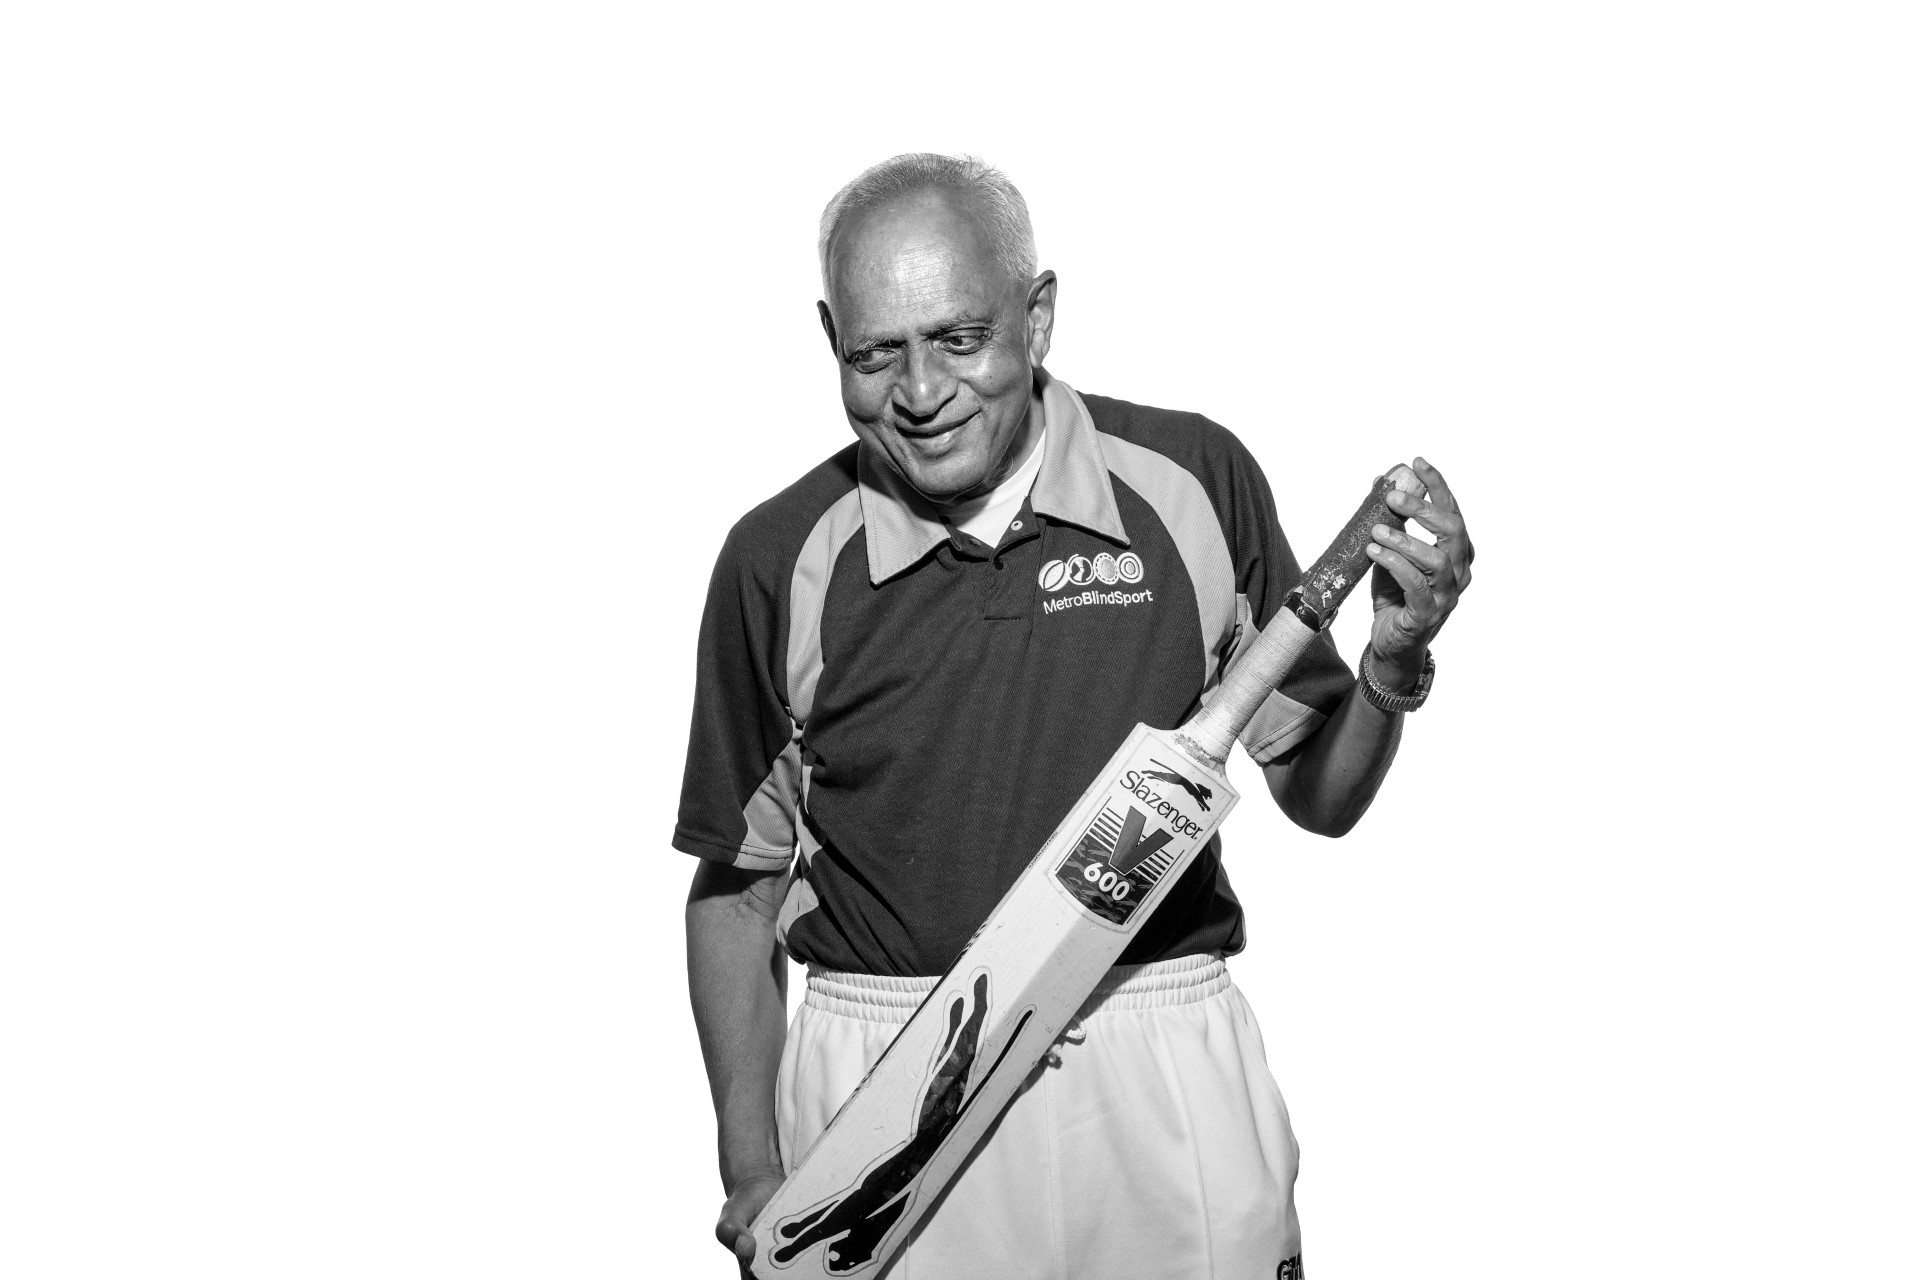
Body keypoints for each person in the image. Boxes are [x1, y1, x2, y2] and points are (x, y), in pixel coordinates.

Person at [678, 153, 1473, 1279]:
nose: (919, 390)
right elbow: (740, 884)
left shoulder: (1190, 480)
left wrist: (1395, 661)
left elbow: (1323, 796)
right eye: (875, 351)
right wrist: (750, 1165)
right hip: (886, 1082)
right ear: (831, 341)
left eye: (960, 338)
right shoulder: (781, 558)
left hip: (1153, 1052)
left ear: (1038, 316)